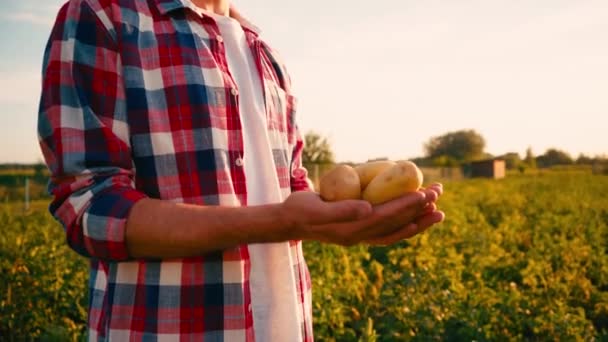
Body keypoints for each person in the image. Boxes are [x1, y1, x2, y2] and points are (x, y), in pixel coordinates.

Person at [37, 0, 445, 340]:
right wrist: (282, 221)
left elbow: (291, 184)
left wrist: (343, 217)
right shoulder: (103, 16)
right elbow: (92, 207)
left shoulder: (264, 53)